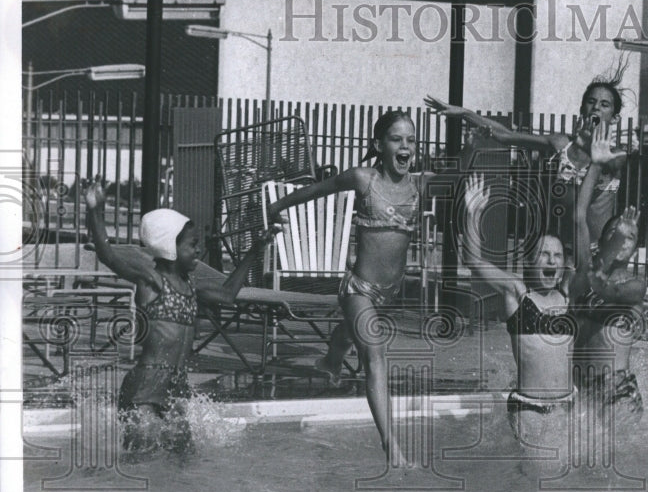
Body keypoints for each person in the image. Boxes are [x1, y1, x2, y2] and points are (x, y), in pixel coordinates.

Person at [265, 110, 429, 466]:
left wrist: (471, 127)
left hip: (390, 292)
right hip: (360, 288)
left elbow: (461, 171)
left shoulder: (419, 185)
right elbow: (316, 190)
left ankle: (331, 359)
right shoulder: (364, 179)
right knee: (375, 353)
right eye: (396, 139)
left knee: (351, 334)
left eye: (411, 140)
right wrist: (277, 205)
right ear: (378, 145)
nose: (405, 146)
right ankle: (393, 451)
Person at [85, 183, 275, 454]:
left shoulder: (190, 288)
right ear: (169, 247)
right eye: (192, 245)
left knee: (184, 460)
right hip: (144, 391)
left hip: (175, 389)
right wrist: (96, 210)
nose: (197, 250)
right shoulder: (152, 283)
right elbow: (108, 255)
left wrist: (255, 250)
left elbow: (228, 295)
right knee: (141, 460)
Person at [424, 63, 633, 257]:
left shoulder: (617, 155)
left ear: (614, 118)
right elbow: (506, 135)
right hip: (562, 251)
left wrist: (593, 147)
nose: (596, 107)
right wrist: (464, 113)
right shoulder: (563, 144)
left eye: (604, 105)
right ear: (582, 109)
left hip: (598, 252)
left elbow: (611, 163)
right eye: (591, 102)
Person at [461, 174, 575, 456]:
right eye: (544, 255)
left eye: (557, 255)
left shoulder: (568, 295)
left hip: (568, 405)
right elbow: (474, 261)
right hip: (529, 407)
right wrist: (472, 212)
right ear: (529, 260)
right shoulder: (518, 293)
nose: (551, 261)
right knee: (536, 479)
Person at [568, 128, 647, 425]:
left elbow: (606, 290)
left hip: (617, 390)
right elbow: (578, 216)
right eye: (617, 234)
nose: (624, 240)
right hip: (578, 387)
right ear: (602, 240)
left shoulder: (635, 286)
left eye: (631, 236)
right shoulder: (584, 270)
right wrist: (597, 164)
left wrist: (612, 246)